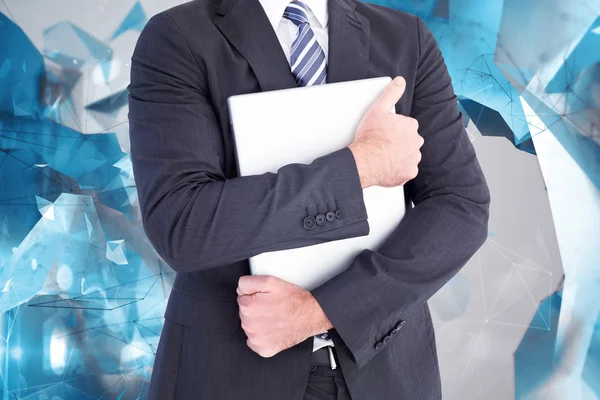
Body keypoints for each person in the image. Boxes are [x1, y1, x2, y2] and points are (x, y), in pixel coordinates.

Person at [127, 0, 490, 397]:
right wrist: (360, 167)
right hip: (231, 373)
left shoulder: (406, 38)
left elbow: (461, 205)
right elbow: (182, 225)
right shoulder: (177, 38)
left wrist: (320, 311)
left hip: (387, 373)